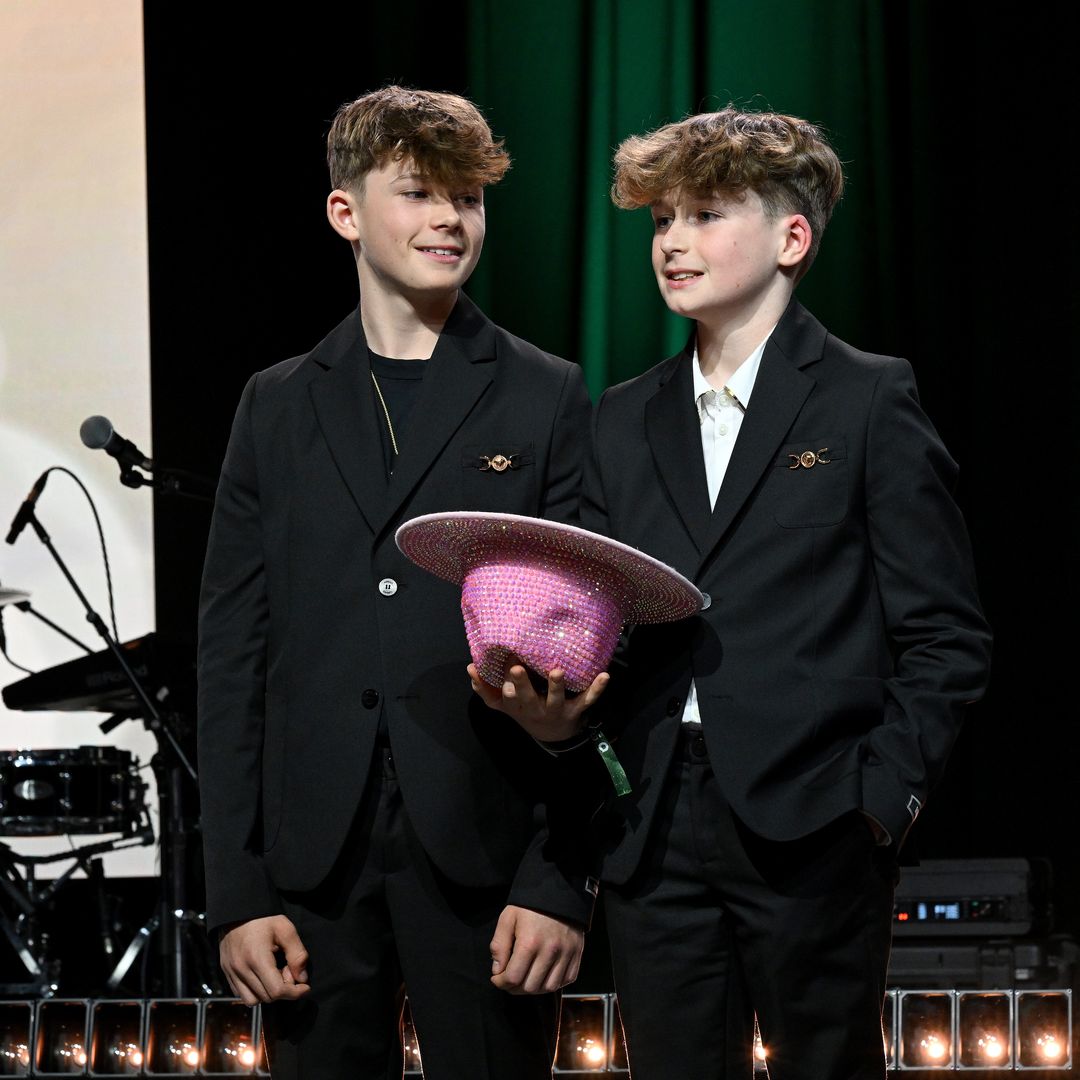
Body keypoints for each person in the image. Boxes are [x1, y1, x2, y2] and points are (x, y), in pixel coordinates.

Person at [562, 107, 990, 1078]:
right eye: (662, 219)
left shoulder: (868, 398)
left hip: (815, 822)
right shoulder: (621, 420)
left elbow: (947, 636)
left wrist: (879, 801)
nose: (673, 241)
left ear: (792, 237)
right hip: (653, 826)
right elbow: (599, 622)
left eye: (706, 214)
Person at [196, 85, 604, 1080]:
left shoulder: (541, 391)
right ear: (345, 212)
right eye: (419, 191)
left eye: (467, 197)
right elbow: (232, 653)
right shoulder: (278, 403)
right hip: (313, 867)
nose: (449, 220)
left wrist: (559, 882)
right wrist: (239, 893)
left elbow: (593, 643)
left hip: (485, 852)